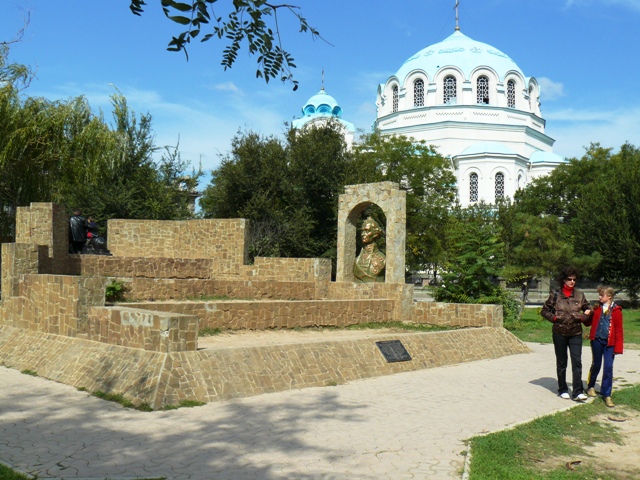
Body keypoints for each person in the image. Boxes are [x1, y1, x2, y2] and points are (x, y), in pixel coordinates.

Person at [541, 266, 592, 400]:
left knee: (577, 362)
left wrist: (584, 316)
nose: (572, 282)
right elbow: (544, 311)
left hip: (575, 333)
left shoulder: (580, 295)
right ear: (563, 280)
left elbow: (588, 309)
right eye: (569, 279)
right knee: (562, 362)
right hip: (559, 333)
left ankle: (578, 391)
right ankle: (562, 388)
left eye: (574, 279)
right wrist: (554, 318)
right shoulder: (555, 295)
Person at [585, 285, 624, 407]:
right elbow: (587, 323)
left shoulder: (616, 311)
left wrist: (618, 347)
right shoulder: (596, 308)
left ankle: (606, 394)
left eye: (602, 295)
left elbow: (619, 330)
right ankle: (590, 386)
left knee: (608, 367)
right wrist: (587, 314)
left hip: (609, 343)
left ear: (609, 297)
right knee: (596, 364)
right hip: (597, 340)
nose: (599, 297)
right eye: (599, 295)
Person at [353, 216, 386, 283]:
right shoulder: (357, 260)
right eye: (362, 231)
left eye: (367, 231)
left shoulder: (382, 259)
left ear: (375, 234)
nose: (363, 234)